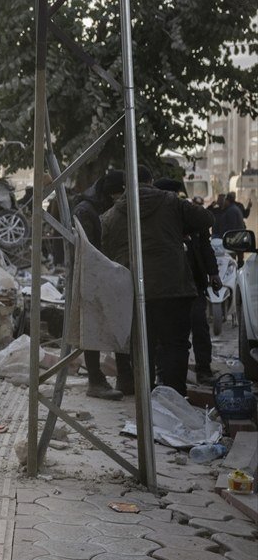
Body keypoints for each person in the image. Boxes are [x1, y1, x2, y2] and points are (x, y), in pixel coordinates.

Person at [101, 167, 214, 396]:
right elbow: (206, 218)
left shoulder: (110, 216)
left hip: (135, 290)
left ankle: (146, 402)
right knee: (175, 345)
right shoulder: (172, 202)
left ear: (125, 186)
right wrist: (179, 228)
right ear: (151, 181)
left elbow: (107, 254)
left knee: (142, 348)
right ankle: (175, 398)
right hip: (173, 287)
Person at [155, 179, 219, 385]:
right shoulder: (157, 218)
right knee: (166, 333)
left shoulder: (190, 215)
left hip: (193, 284)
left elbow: (206, 247)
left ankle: (203, 369)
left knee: (199, 326)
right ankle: (163, 374)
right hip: (167, 285)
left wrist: (214, 273)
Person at [72, 170, 125, 400]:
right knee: (92, 327)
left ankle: (125, 376)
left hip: (108, 274)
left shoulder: (101, 206)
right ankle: (95, 379)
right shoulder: (86, 210)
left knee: (118, 324)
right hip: (91, 276)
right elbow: (88, 250)